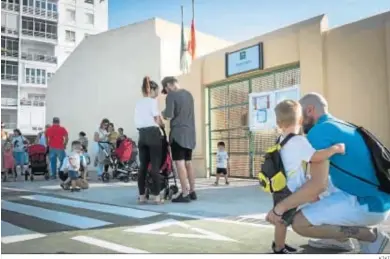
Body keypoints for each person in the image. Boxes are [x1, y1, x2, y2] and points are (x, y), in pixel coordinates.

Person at [266, 93, 390, 254]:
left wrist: (279, 209)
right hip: (379, 200)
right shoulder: (343, 124)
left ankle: (370, 235)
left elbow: (318, 185)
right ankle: (340, 239)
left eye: (299, 116)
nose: (300, 122)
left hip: (367, 205)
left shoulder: (319, 131)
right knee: (312, 184)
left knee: (299, 223)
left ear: (309, 110)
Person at [268, 100, 345, 254]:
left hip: (282, 186)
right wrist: (335, 149)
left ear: (278, 122)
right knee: (282, 221)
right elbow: (316, 157)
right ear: (301, 120)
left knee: (307, 205)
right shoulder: (298, 141)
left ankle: (280, 243)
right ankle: (279, 248)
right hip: (290, 190)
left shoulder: (281, 139)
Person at [161, 76, 197, 203]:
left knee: (179, 163)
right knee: (188, 162)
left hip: (178, 134)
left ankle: (185, 193)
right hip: (190, 134)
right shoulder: (189, 94)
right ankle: (192, 191)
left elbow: (169, 115)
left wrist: (162, 113)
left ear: (168, 86)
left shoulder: (171, 96)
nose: (167, 92)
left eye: (166, 89)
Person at [134, 76, 164, 204]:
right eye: (156, 91)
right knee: (155, 167)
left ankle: (141, 196)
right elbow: (157, 119)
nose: (157, 94)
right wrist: (163, 125)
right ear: (151, 90)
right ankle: (157, 197)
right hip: (153, 134)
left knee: (143, 167)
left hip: (142, 135)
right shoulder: (152, 102)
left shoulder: (138, 103)